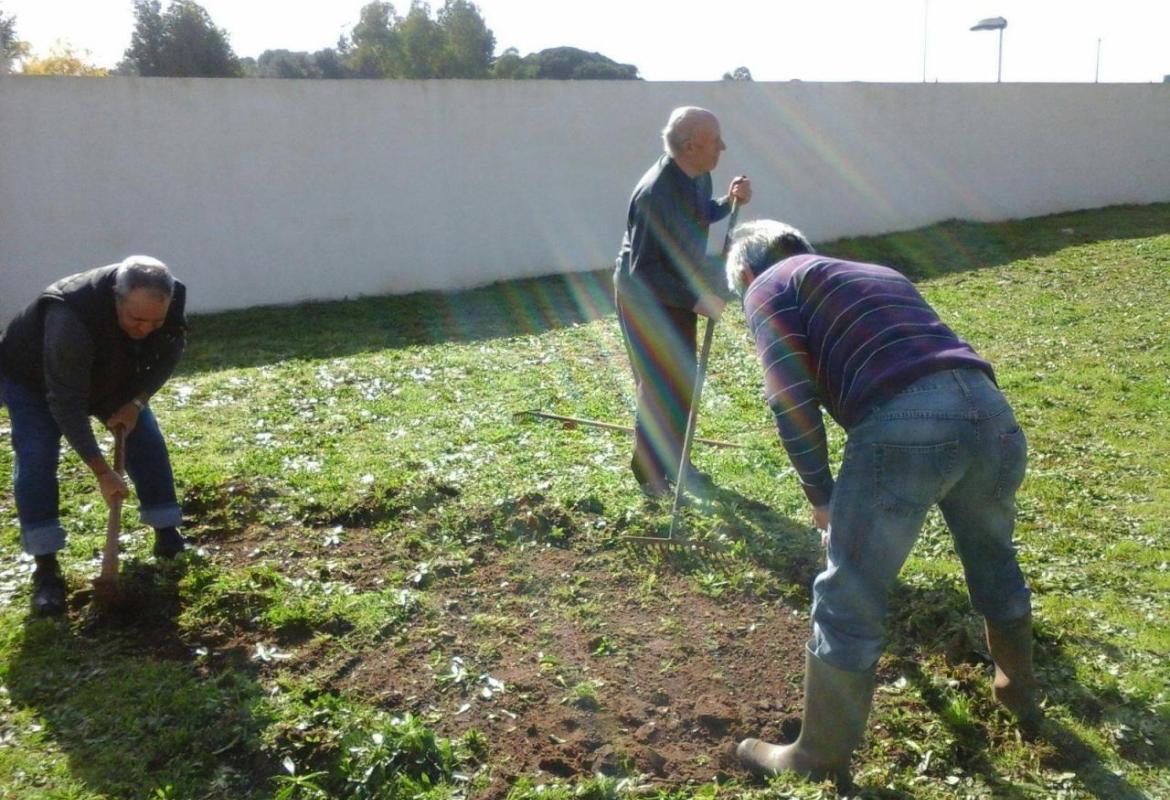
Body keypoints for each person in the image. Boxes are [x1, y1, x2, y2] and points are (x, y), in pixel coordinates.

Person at [723, 220, 1040, 789]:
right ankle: (1017, 692)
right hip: (991, 413)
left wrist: (822, 499)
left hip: (907, 426)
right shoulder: (873, 271)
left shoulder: (766, 285)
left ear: (745, 272)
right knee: (993, 555)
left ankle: (816, 753)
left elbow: (791, 399)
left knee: (849, 593)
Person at [0, 256, 189, 617]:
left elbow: (170, 349)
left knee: (146, 440)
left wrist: (136, 402)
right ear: (115, 297)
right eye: (136, 319)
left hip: (111, 372)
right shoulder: (70, 316)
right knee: (36, 456)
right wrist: (103, 471)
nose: (146, 329)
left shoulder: (170, 296)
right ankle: (46, 570)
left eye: (155, 320)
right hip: (33, 380)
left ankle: (168, 536)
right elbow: (65, 403)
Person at [613, 106, 752, 497]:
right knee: (659, 384)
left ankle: (676, 461)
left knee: (682, 380)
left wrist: (729, 202)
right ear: (690, 146)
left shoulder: (698, 175)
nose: (723, 147)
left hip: (676, 290)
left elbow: (700, 213)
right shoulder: (654, 194)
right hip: (644, 297)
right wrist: (696, 299)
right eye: (715, 141)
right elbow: (643, 271)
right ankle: (649, 475)